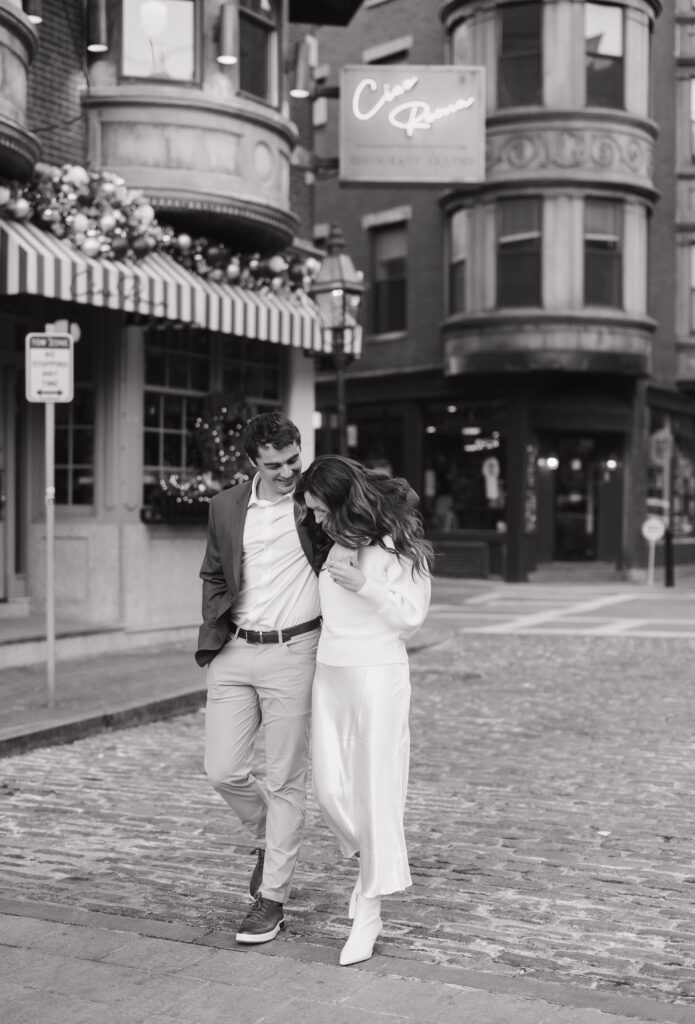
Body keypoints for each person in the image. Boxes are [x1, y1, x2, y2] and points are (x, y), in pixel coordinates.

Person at [196, 412, 327, 945]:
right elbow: (211, 571)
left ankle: (271, 900)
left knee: (286, 778)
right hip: (234, 648)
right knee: (222, 769)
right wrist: (215, 618)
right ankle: (270, 837)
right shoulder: (225, 506)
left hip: (295, 649)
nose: (287, 472)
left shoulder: (316, 499)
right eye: (274, 465)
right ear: (253, 462)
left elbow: (377, 517)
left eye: (293, 460)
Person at [298, 455, 433, 966]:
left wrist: (366, 586)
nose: (312, 518)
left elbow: (412, 617)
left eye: (316, 508)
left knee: (375, 792)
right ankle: (373, 862)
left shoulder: (396, 547)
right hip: (331, 675)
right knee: (330, 791)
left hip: (378, 677)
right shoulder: (332, 543)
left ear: (340, 502)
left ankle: (369, 910)